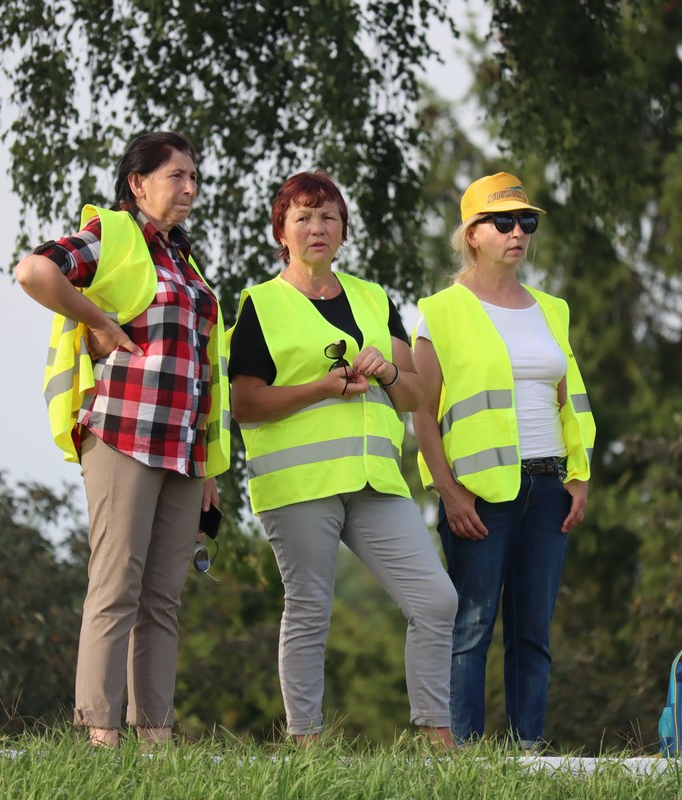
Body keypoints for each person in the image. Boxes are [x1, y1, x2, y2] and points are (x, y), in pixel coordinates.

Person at [227, 170, 458, 747]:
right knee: (309, 609)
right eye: (302, 217)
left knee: (437, 600)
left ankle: (437, 742)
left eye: (328, 215)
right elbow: (244, 403)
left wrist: (388, 371)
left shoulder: (374, 298)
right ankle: (307, 746)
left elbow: (416, 397)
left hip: (374, 480)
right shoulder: (260, 304)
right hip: (299, 483)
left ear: (344, 229)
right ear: (281, 231)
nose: (316, 227)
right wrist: (319, 389)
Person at [14, 131, 230, 747]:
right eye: (176, 177)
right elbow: (33, 271)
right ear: (138, 184)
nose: (189, 188)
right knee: (116, 587)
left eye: (194, 177)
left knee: (162, 600)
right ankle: (100, 737)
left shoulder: (186, 259)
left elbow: (202, 371)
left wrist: (210, 467)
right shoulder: (113, 235)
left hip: (184, 451)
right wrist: (99, 320)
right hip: (124, 434)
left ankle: (155, 740)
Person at [411, 172, 596, 749]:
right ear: (472, 234)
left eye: (527, 222)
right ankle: (465, 754)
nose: (518, 232)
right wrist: (449, 492)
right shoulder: (439, 312)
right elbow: (422, 413)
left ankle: (527, 753)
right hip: (480, 494)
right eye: (504, 222)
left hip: (549, 489)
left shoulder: (552, 309)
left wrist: (580, 476)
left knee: (532, 634)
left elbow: (571, 400)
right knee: (469, 628)